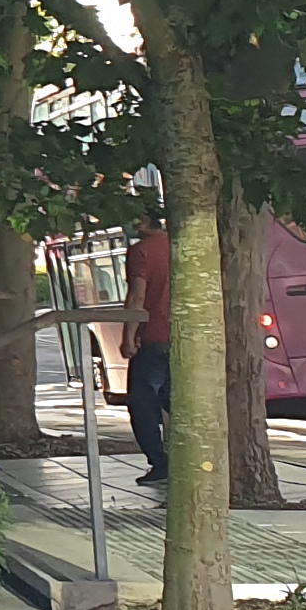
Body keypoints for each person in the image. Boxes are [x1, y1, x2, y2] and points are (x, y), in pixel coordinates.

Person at [122, 206, 173, 484]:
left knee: (141, 404)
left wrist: (128, 337)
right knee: (174, 399)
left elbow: (137, 297)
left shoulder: (140, 252)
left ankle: (159, 462)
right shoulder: (176, 244)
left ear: (143, 221)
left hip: (153, 337)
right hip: (181, 337)